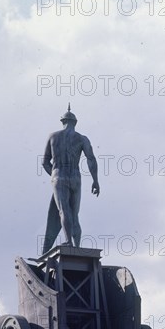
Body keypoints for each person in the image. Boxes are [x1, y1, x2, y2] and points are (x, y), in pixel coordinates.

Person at [42, 104, 100, 254]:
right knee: (74, 213)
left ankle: (68, 241)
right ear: (75, 123)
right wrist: (95, 180)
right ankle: (77, 245)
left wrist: (55, 176)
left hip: (59, 175)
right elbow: (91, 159)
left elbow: (44, 162)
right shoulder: (81, 138)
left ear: (62, 121)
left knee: (64, 211)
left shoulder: (53, 136)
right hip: (75, 176)